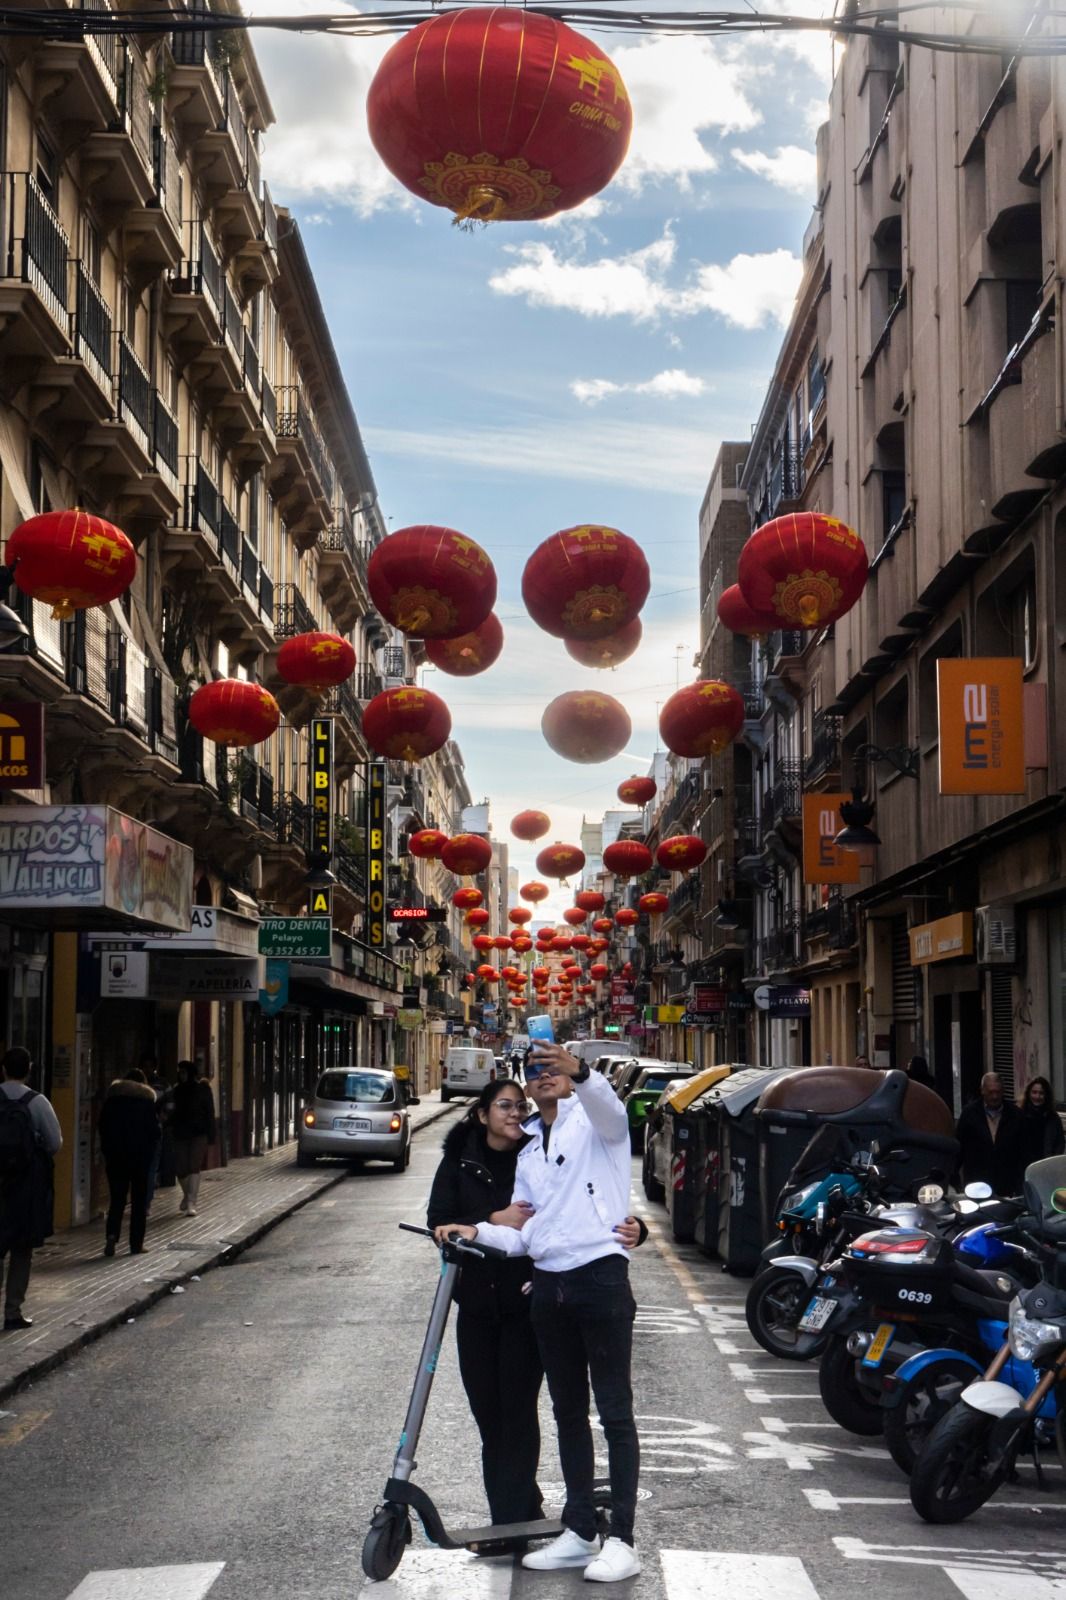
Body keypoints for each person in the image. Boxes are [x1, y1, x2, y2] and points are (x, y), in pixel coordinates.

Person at [436, 1040, 642, 1584]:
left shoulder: (598, 1124)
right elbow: (522, 1234)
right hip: (549, 1285)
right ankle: (578, 1531)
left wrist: (582, 1070)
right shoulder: (529, 1152)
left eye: (552, 1068)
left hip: (599, 1275)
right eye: (535, 1071)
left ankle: (622, 1538)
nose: (543, 1076)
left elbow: (610, 1107)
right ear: (525, 1085)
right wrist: (474, 1229)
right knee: (567, 1414)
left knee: (615, 1413)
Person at [0, 1046, 62, 1331]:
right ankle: (12, 1311)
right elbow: (55, 1144)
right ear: (29, 1069)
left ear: (3, 1069)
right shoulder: (37, 1103)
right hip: (24, 1188)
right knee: (21, 1250)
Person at [99, 1068, 161, 1257]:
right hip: (140, 1158)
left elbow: (102, 1127)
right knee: (139, 1201)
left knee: (117, 1199)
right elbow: (154, 1132)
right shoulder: (147, 1102)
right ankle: (136, 1244)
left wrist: (107, 1151)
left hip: (115, 1157)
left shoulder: (112, 1101)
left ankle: (111, 1235)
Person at [955, 1072, 1024, 1195]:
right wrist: (953, 1177)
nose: (994, 1097)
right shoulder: (969, 1114)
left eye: (998, 1092)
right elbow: (959, 1147)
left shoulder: (1015, 1115)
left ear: (1003, 1092)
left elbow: (1023, 1151)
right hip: (977, 1183)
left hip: (1007, 1184)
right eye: (991, 1092)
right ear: (982, 1091)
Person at [170, 1060, 217, 1217]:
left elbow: (210, 1112)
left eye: (184, 1072)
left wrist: (211, 1135)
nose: (181, 1075)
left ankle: (191, 1202)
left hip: (199, 1133)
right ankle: (187, 1195)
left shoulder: (203, 1090)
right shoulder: (176, 1091)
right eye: (180, 1072)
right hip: (180, 1133)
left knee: (194, 1166)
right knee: (181, 1168)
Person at [1019, 1076, 1065, 1172]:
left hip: (1046, 1168)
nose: (1037, 1096)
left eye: (1041, 1093)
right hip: (1024, 1168)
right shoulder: (1019, 1115)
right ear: (1029, 1093)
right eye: (1034, 1092)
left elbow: (1059, 1145)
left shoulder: (1053, 1118)